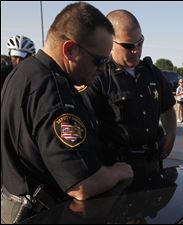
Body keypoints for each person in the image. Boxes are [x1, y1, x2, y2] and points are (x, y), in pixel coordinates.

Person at [1, 2, 133, 223]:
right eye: (99, 61)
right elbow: (82, 185)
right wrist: (120, 171)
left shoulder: (23, 73)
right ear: (70, 50)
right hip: (45, 215)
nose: (103, 69)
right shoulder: (55, 93)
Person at [80, 9, 176, 175]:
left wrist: (171, 135)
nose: (136, 51)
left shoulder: (151, 73)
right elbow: (86, 128)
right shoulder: (98, 77)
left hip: (152, 163)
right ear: (110, 42)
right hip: (116, 168)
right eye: (128, 46)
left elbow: (167, 108)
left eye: (140, 43)